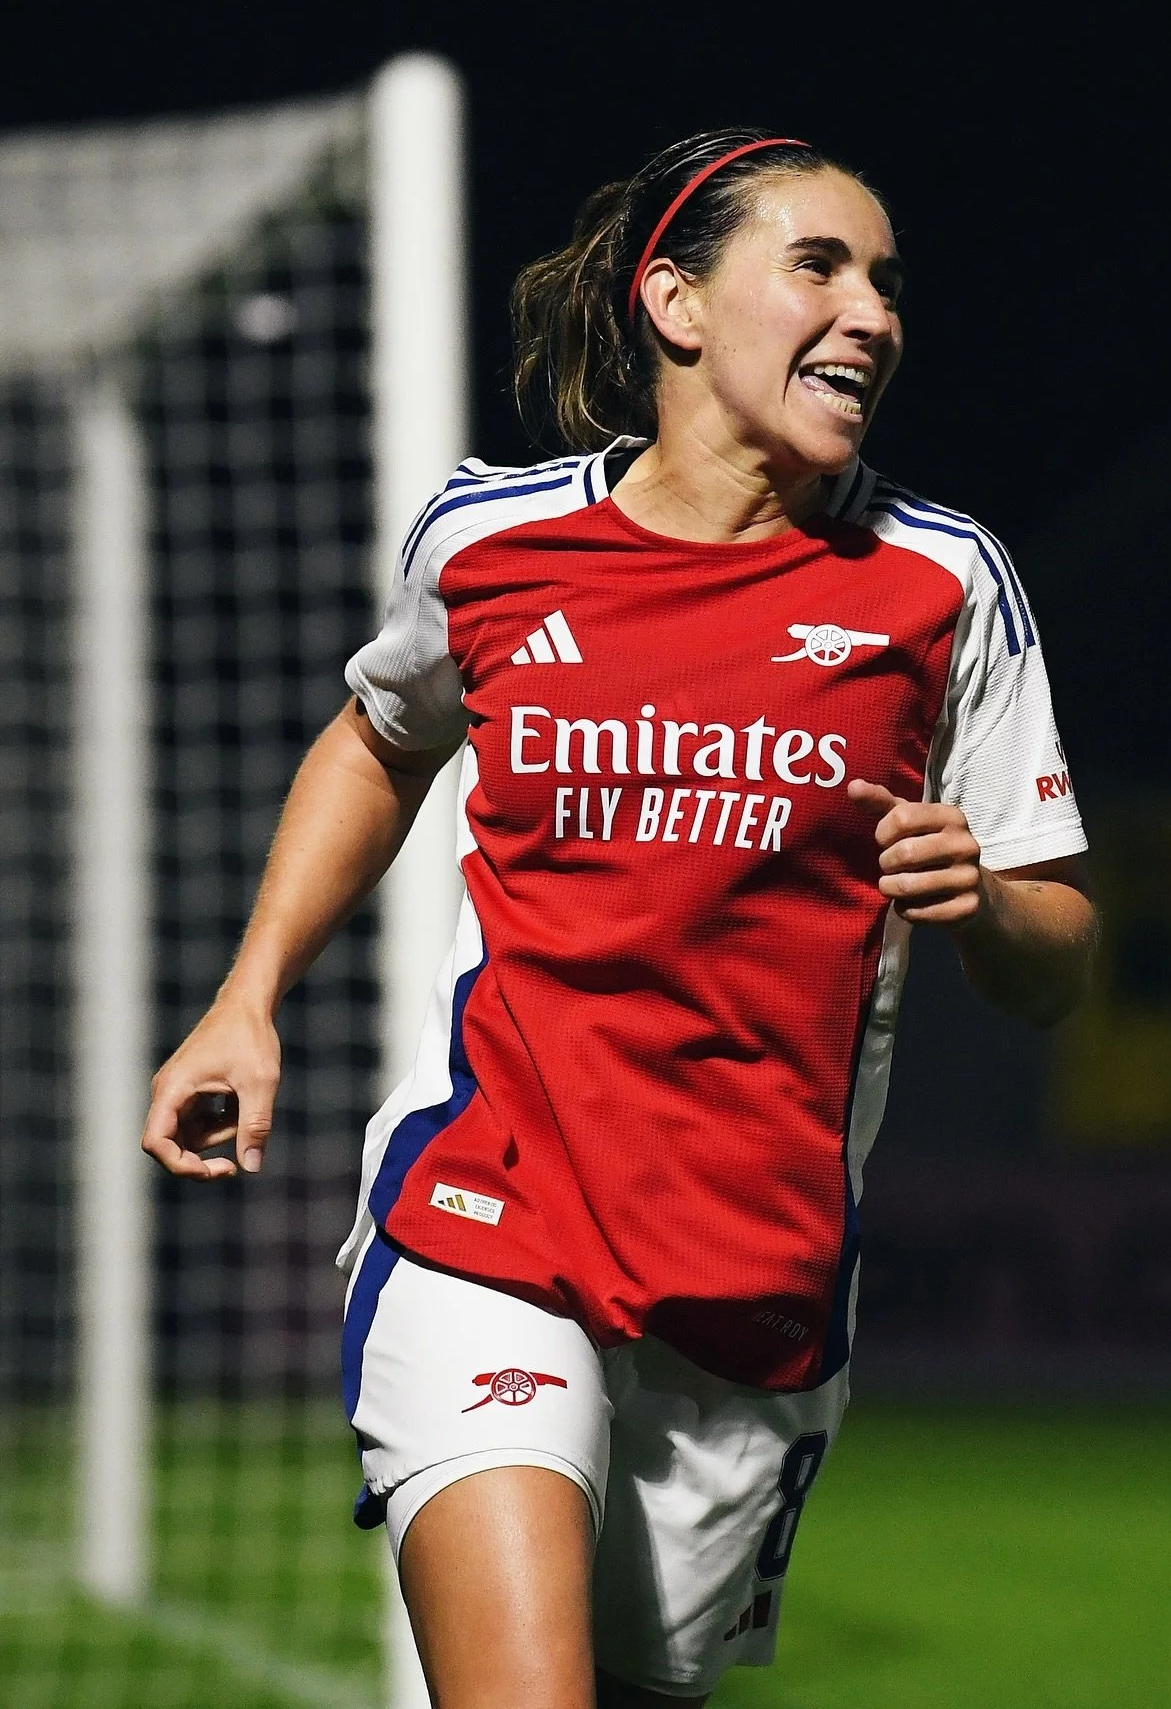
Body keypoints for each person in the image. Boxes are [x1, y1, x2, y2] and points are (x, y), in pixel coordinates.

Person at [144, 128, 1097, 1708]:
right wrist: (248, 996)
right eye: (819, 267)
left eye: (887, 282)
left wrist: (984, 901)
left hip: (753, 1291)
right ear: (674, 299)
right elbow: (380, 737)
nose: (872, 313)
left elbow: (1059, 963)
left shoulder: (941, 582)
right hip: (488, 1215)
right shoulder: (491, 541)